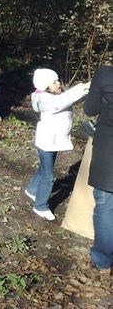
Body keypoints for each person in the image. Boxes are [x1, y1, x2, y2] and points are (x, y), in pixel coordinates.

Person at [25, 68, 89, 221]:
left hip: (51, 142)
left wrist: (86, 89)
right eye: (54, 82)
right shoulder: (47, 100)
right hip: (47, 142)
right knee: (48, 176)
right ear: (46, 87)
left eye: (57, 80)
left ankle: (32, 189)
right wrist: (82, 88)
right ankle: (40, 206)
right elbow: (62, 102)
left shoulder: (52, 96)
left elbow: (67, 98)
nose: (58, 83)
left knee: (44, 169)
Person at [84, 63, 113, 272]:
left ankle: (102, 259)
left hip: (109, 150)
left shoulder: (105, 74)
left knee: (105, 204)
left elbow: (90, 109)